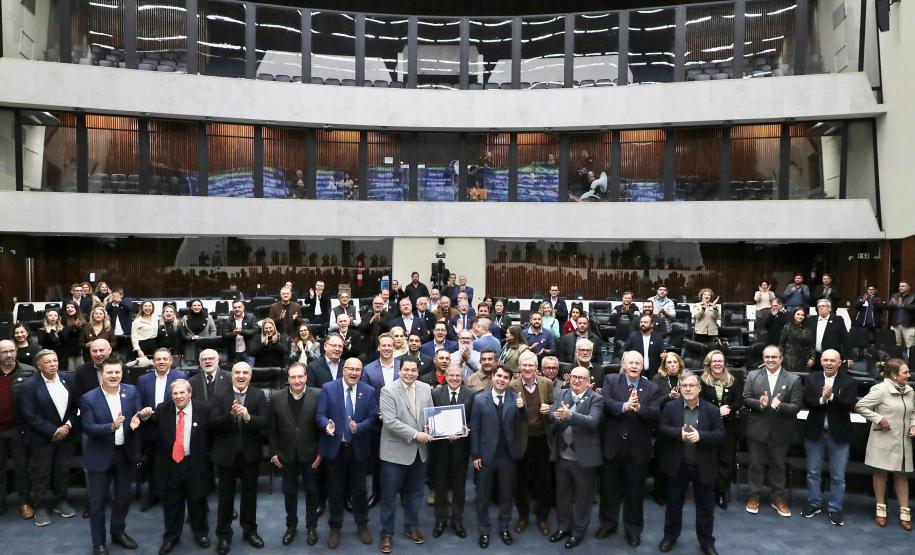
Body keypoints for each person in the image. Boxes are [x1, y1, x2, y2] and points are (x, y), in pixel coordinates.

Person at [80, 357, 151, 555]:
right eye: (109, 372)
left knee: (124, 499)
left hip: (125, 455)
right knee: (97, 503)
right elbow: (88, 427)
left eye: (117, 372)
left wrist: (140, 418)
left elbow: (136, 415)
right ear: (101, 374)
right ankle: (99, 543)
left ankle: (118, 532)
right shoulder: (89, 398)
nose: (114, 376)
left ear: (122, 373)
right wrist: (110, 427)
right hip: (99, 456)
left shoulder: (132, 391)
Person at [657, 371, 725, 555]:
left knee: (705, 507)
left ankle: (706, 542)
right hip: (677, 465)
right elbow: (661, 429)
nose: (687, 389)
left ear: (699, 388)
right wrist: (677, 433)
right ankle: (670, 536)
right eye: (684, 385)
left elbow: (720, 435)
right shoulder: (670, 407)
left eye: (691, 385)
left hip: (703, 466)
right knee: (673, 504)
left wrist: (701, 436)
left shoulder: (711, 410)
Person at [598, 351, 661, 546]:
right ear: (623, 364)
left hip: (637, 448)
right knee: (609, 489)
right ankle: (608, 524)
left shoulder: (652, 388)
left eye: (638, 363)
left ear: (643, 367)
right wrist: (625, 406)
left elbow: (656, 413)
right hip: (612, 445)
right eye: (630, 362)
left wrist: (640, 408)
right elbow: (606, 403)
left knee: (635, 491)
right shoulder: (610, 380)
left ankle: (633, 529)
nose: (634, 366)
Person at [317, 357, 378, 548]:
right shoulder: (328, 388)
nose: (353, 373)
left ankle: (362, 525)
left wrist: (359, 427)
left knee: (360, 491)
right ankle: (335, 527)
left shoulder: (368, 391)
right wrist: (326, 425)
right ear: (343, 370)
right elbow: (320, 414)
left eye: (357, 370)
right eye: (350, 369)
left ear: (361, 372)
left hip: (358, 450)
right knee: (335, 491)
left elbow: (373, 416)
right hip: (335, 449)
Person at [210, 362, 269, 555]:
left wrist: (248, 417)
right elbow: (212, 424)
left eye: (245, 372)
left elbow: (265, 423)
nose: (241, 376)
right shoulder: (219, 394)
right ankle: (223, 536)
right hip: (226, 456)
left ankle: (249, 531)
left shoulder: (258, 395)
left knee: (250, 497)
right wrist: (230, 415)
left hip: (250, 455)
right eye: (237, 372)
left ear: (251, 376)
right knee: (225, 499)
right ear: (231, 375)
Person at [377, 358, 434, 554]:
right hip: (395, 454)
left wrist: (429, 426)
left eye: (413, 370)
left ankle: (410, 527)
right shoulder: (388, 390)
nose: (409, 373)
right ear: (399, 370)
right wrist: (416, 434)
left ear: (418, 372)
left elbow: (429, 414)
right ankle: (386, 533)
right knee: (389, 496)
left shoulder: (426, 388)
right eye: (406, 370)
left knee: (416, 493)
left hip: (420, 454)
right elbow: (390, 422)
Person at [18, 349, 78, 526]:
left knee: (62, 470)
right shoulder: (29, 385)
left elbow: (75, 406)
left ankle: (60, 501)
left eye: (55, 360)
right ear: (39, 365)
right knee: (41, 473)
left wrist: (67, 426)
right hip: (41, 438)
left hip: (66, 434)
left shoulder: (68, 379)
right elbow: (28, 414)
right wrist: (53, 431)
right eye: (48, 362)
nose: (53, 364)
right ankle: (41, 507)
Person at [742, 345, 803, 517]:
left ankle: (778, 499)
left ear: (781, 358)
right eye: (767, 357)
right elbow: (746, 399)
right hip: (757, 429)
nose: (770, 360)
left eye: (774, 357)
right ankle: (753, 497)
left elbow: (796, 406)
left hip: (781, 431)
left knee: (778, 466)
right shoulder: (753, 376)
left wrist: (781, 406)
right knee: (756, 466)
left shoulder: (793, 379)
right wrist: (759, 403)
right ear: (763, 358)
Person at [855, 358, 915, 530]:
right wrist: (879, 418)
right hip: (884, 438)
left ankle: (905, 511)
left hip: (903, 441)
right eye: (905, 372)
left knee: (901, 474)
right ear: (894, 375)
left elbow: (913, 411)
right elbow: (861, 406)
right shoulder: (880, 390)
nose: (909, 375)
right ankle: (880, 509)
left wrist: (913, 424)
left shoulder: (910, 391)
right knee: (881, 473)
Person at [471, 365, 526, 549]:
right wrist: (476, 454)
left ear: (510, 380)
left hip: (507, 456)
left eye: (505, 377)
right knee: (483, 496)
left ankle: (504, 528)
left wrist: (522, 409)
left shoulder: (516, 398)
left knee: (506, 495)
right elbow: (475, 429)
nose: (502, 380)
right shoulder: (479, 399)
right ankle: (484, 530)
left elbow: (524, 422)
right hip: (486, 456)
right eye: (499, 376)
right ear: (493, 377)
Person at [548, 366, 603, 549]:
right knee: (562, 495)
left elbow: (592, 422)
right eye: (574, 377)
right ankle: (563, 527)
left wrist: (569, 415)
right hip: (562, 456)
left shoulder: (597, 398)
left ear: (588, 381)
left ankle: (578, 532)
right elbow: (552, 416)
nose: (577, 381)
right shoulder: (562, 394)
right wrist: (556, 416)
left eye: (581, 378)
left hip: (583, 460)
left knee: (582, 498)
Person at [155, 379, 213, 555]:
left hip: (195, 462)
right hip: (171, 464)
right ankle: (171, 536)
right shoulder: (162, 410)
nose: (179, 396)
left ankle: (201, 533)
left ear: (190, 393)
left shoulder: (204, 409)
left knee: (198, 500)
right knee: (172, 503)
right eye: (175, 393)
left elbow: (213, 433)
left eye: (182, 393)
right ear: (171, 396)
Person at [801, 349, 857, 526]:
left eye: (833, 360)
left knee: (838, 476)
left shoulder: (849, 381)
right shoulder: (812, 378)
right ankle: (814, 503)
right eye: (825, 360)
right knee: (812, 473)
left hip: (838, 435)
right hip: (815, 433)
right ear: (821, 361)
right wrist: (821, 400)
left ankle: (835, 508)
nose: (829, 363)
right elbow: (807, 401)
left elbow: (849, 405)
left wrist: (831, 396)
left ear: (840, 362)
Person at [268, 362, 322, 546]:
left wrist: (321, 453)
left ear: (306, 377)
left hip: (311, 455)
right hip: (286, 455)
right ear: (287, 379)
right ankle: (291, 526)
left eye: (300, 376)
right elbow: (271, 429)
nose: (297, 380)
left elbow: (321, 427)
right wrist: (274, 453)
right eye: (293, 377)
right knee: (289, 493)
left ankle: (311, 527)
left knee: (312, 492)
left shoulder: (318, 395)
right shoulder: (276, 397)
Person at [136, 349, 187, 511]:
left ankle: (169, 494)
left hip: (172, 428)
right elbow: (137, 401)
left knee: (172, 464)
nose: (161, 362)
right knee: (151, 463)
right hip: (150, 426)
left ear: (171, 361)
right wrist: (142, 414)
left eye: (165, 359)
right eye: (158, 359)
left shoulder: (181, 377)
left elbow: (184, 401)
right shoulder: (143, 380)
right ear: (153, 362)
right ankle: (152, 494)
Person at [510, 351, 554, 536]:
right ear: (519, 367)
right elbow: (507, 414)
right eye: (524, 366)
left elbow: (552, 406)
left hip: (542, 438)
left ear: (537, 368)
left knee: (543, 480)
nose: (527, 369)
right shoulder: (511, 386)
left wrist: (549, 409)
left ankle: (543, 517)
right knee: (520, 481)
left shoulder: (546, 383)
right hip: (521, 439)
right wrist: (515, 408)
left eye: (531, 366)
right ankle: (523, 516)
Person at [431, 363, 475, 539]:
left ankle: (457, 520)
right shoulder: (435, 393)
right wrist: (432, 427)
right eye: (451, 375)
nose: (455, 378)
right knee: (440, 485)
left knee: (459, 487)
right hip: (440, 449)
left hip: (461, 450)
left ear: (462, 376)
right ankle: (440, 519)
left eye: (458, 375)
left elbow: (474, 421)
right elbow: (430, 416)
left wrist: (467, 429)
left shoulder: (471, 394)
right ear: (445, 376)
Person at [698, 350, 743, 510]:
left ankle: (721, 493)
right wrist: (717, 411)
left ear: (724, 363)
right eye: (714, 361)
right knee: (709, 460)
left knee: (725, 461)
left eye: (720, 361)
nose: (717, 363)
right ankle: (708, 492)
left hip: (729, 427)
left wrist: (729, 408)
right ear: (709, 364)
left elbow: (740, 401)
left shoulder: (734, 380)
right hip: (708, 427)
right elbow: (699, 402)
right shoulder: (701, 382)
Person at [0, 339, 36, 519]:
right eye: (4, 352)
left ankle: (24, 502)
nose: (8, 355)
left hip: (18, 429)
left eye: (11, 351)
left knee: (22, 468)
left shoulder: (29, 372)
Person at [652, 352, 686, 504]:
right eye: (669, 362)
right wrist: (668, 397)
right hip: (663, 423)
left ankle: (676, 492)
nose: (672, 365)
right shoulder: (658, 379)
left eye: (675, 362)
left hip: (681, 422)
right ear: (664, 365)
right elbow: (654, 403)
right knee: (662, 459)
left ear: (679, 364)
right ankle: (659, 493)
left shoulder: (685, 379)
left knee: (679, 459)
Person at [807, 299, 850, 370]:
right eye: (819, 306)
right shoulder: (811, 320)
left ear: (829, 308)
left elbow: (845, 338)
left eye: (823, 306)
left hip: (831, 357)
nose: (821, 307)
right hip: (815, 356)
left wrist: (848, 357)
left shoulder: (838, 320)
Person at [779, 307, 814, 372]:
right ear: (794, 315)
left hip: (804, 360)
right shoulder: (787, 327)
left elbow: (811, 345)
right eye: (798, 314)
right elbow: (781, 344)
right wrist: (780, 356)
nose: (800, 316)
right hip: (789, 360)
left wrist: (812, 358)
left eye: (802, 315)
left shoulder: (808, 328)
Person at [221, 300, 257, 364]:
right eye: (235, 307)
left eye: (239, 307)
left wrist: (242, 332)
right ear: (232, 309)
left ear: (243, 307)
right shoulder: (228, 320)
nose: (237, 309)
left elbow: (255, 331)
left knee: (250, 372)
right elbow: (224, 334)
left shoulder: (251, 317)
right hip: (234, 353)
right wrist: (233, 333)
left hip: (248, 352)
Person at [888, 281, 915, 349]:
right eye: (900, 286)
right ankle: (897, 359)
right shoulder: (895, 295)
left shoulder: (913, 296)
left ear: (909, 287)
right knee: (895, 345)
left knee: (910, 346)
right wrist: (892, 304)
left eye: (903, 286)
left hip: (908, 325)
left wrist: (903, 305)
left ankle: (910, 360)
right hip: (895, 324)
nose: (901, 288)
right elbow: (888, 307)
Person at [60, 301, 87, 370]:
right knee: (71, 370)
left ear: (76, 308)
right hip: (69, 349)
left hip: (81, 348)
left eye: (72, 307)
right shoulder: (63, 319)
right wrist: (75, 326)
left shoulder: (84, 316)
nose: (69, 309)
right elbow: (65, 334)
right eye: (67, 307)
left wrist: (80, 327)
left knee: (81, 370)